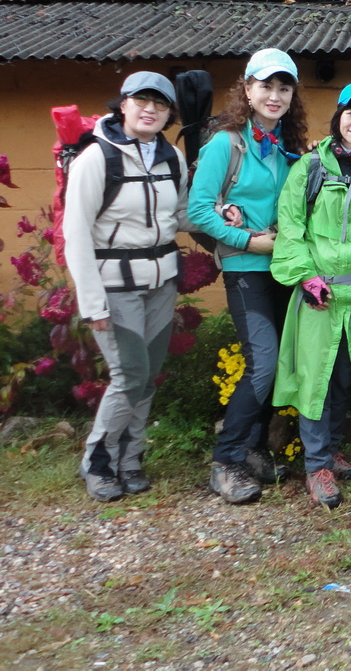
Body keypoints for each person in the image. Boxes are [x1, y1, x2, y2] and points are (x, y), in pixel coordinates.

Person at [64, 72, 190, 501]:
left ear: (169, 112)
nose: (150, 109)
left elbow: (183, 215)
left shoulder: (171, 158)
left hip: (161, 282)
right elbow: (76, 233)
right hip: (115, 287)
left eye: (160, 103)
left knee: (147, 377)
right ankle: (98, 461)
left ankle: (130, 459)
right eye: (141, 100)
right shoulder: (96, 158)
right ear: (123, 104)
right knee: (129, 374)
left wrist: (225, 213)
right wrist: (91, 303)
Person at [189, 48, 307, 504]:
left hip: (282, 269)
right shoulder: (226, 143)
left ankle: (255, 448)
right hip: (244, 269)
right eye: (266, 86)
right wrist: (248, 242)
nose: (275, 95)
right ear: (247, 89)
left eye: (284, 87)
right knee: (264, 360)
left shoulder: (286, 147)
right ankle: (227, 461)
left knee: (275, 363)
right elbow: (199, 210)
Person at [271, 83, 351, 509]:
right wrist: (305, 276)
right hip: (317, 293)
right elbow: (290, 226)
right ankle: (316, 465)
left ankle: (332, 447)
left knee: (345, 375)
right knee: (314, 378)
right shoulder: (308, 168)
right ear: (338, 117)